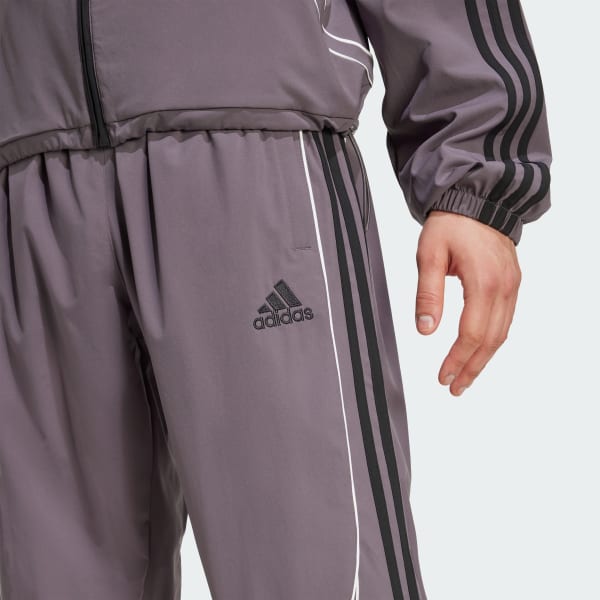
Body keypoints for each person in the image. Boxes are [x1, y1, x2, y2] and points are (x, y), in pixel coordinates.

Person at [0, 0, 551, 598]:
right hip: (24, 177)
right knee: (44, 577)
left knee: (315, 570)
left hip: (252, 142)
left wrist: (479, 165)